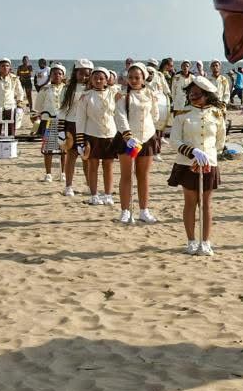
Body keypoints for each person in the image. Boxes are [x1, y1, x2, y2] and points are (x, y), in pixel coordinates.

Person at [168, 76, 227, 255]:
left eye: (198, 94)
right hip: (187, 162)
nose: (193, 97)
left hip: (208, 163)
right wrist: (192, 151)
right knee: (190, 203)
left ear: (207, 95)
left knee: (206, 204)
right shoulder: (182, 114)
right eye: (191, 94)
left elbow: (220, 141)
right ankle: (191, 241)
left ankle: (206, 241)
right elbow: (174, 140)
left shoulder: (217, 114)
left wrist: (208, 155)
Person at [114, 63, 160, 224]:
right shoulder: (122, 95)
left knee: (143, 176)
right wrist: (128, 136)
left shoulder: (150, 94)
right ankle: (125, 210)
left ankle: (144, 210)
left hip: (147, 138)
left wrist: (149, 130)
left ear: (143, 78)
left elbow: (155, 115)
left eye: (137, 77)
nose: (133, 80)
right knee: (126, 175)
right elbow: (119, 116)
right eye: (131, 77)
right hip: (128, 140)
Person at [75, 68, 118, 206]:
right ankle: (94, 195)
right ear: (91, 80)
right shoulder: (85, 97)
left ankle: (108, 195)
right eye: (95, 78)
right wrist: (80, 140)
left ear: (106, 80)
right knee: (93, 165)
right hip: (92, 135)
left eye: (101, 78)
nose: (98, 81)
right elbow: (80, 119)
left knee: (108, 166)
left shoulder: (114, 94)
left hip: (110, 134)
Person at [58, 59, 93, 197]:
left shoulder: (92, 89)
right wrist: (60, 130)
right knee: (71, 157)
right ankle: (68, 186)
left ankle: (90, 186)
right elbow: (62, 110)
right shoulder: (67, 89)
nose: (84, 77)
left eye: (87, 74)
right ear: (75, 73)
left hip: (87, 126)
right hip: (71, 125)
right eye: (81, 74)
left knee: (87, 157)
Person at [32, 63, 67, 181]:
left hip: (64, 122)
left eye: (59, 73)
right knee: (48, 148)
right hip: (48, 122)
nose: (57, 75)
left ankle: (63, 173)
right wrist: (36, 117)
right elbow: (38, 106)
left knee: (64, 148)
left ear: (63, 76)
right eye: (54, 73)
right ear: (50, 75)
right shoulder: (44, 89)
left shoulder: (67, 89)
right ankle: (48, 173)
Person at [0, 57, 28, 139]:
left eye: (7, 66)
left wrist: (19, 106)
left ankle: (11, 143)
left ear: (10, 67)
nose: (5, 67)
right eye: (3, 66)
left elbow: (20, 92)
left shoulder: (14, 78)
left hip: (10, 106)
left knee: (11, 127)